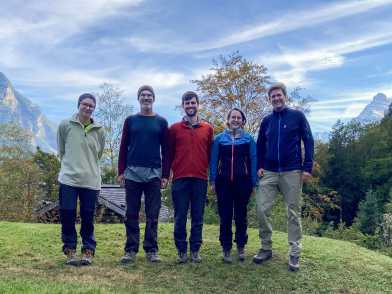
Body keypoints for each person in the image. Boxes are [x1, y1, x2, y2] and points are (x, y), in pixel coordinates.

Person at [253, 82, 314, 271]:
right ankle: (266, 248)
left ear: (285, 96)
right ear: (269, 100)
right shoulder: (266, 121)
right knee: (262, 210)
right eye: (273, 97)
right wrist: (260, 166)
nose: (276, 98)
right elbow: (260, 145)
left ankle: (295, 253)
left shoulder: (297, 116)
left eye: (279, 95)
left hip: (292, 171)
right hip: (269, 172)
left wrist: (307, 168)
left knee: (293, 213)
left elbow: (309, 140)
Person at [117, 85, 169, 263]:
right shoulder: (130, 120)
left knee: (152, 214)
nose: (146, 98)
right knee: (131, 213)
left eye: (149, 95)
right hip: (131, 173)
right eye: (143, 95)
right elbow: (123, 147)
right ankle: (130, 250)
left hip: (154, 174)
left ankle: (151, 250)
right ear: (138, 98)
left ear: (153, 99)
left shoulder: (161, 122)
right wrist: (120, 171)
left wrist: (165, 175)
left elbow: (166, 150)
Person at [164, 91, 213, 263]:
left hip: (200, 179)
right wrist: (167, 174)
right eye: (187, 103)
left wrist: (210, 176)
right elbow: (168, 154)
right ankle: (181, 251)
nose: (190, 106)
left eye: (193, 103)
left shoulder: (208, 128)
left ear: (198, 105)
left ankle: (195, 250)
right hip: (180, 178)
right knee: (180, 217)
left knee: (198, 217)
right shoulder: (174, 129)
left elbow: (210, 155)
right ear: (183, 106)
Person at [57, 93, 105, 266]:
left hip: (91, 181)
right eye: (85, 104)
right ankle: (70, 250)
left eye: (91, 105)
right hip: (68, 179)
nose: (88, 108)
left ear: (94, 108)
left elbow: (98, 154)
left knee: (87, 217)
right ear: (78, 105)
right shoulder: (65, 125)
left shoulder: (99, 130)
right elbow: (62, 150)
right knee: (68, 213)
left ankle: (88, 250)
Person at [210, 108, 257, 263]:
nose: (236, 120)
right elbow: (213, 160)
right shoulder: (219, 139)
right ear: (228, 120)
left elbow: (253, 160)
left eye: (239, 118)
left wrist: (253, 182)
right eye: (233, 117)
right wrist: (213, 180)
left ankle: (241, 246)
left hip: (243, 182)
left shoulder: (248, 139)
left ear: (243, 121)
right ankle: (226, 247)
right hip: (223, 182)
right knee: (225, 216)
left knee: (241, 216)